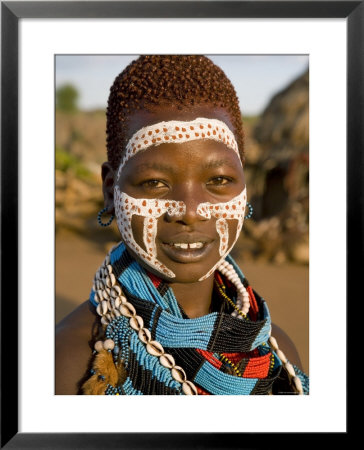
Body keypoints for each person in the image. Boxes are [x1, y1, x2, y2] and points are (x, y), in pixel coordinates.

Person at [55, 55, 309, 395]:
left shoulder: (278, 354)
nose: (190, 211)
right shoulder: (69, 363)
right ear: (110, 190)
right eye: (154, 183)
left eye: (219, 179)